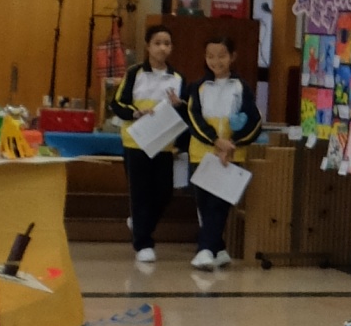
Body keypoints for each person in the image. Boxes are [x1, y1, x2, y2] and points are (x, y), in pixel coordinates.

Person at [182, 33, 260, 271]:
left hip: (231, 157)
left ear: (232, 57)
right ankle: (219, 250)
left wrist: (231, 144)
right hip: (201, 154)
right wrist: (216, 141)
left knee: (219, 204)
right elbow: (193, 119)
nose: (216, 61)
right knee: (205, 205)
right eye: (211, 56)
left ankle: (204, 251)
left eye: (222, 56)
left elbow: (254, 121)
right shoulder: (198, 87)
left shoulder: (241, 87)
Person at [108, 24, 185, 265]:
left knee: (164, 192)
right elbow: (117, 104)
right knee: (140, 193)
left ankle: (140, 224)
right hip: (136, 142)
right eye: (157, 43)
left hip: (163, 144)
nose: (162, 48)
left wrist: (179, 105)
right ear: (148, 46)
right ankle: (143, 243)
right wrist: (136, 113)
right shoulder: (134, 73)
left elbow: (185, 113)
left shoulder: (177, 78)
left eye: (167, 44)